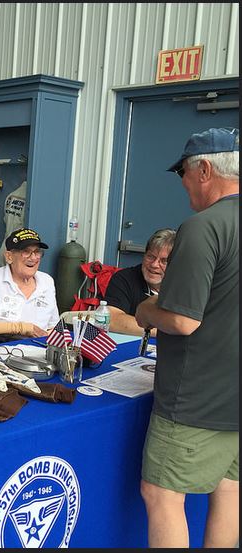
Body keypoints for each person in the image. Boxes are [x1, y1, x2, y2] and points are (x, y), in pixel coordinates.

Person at [135, 127, 238, 548]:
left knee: (161, 494)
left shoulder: (203, 226)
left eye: (183, 172)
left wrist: (144, 311)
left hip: (197, 397)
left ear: (205, 170)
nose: (182, 183)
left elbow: (182, 320)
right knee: (230, 489)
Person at [0, 228, 59, 341]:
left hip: (40, 346)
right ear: (9, 257)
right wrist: (23, 328)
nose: (33, 258)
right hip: (3, 347)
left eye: (37, 252)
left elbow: (53, 326)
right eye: (26, 251)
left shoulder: (47, 281)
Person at [104, 228, 176, 336]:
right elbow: (113, 320)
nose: (154, 265)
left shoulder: (187, 287)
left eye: (164, 261)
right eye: (150, 256)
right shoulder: (124, 278)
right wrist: (167, 332)